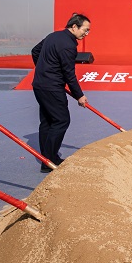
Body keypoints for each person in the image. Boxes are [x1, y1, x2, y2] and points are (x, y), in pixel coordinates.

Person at [31, 13, 91, 173]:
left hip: (39, 84)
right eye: (85, 30)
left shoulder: (53, 36)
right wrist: (79, 95)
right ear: (74, 26)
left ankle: (47, 158)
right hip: (52, 87)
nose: (86, 33)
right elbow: (69, 74)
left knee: (47, 121)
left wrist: (44, 70)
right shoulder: (68, 46)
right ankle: (49, 161)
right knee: (61, 120)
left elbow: (35, 51)